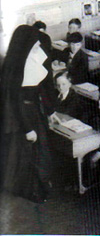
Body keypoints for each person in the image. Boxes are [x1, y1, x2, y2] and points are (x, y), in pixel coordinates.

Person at [0, 25, 59, 203]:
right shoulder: (14, 68)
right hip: (22, 116)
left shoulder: (32, 59)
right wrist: (27, 129)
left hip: (34, 111)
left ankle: (39, 185)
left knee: (40, 152)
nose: (37, 49)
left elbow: (41, 88)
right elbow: (15, 102)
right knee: (28, 154)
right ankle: (32, 190)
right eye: (34, 45)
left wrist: (51, 111)